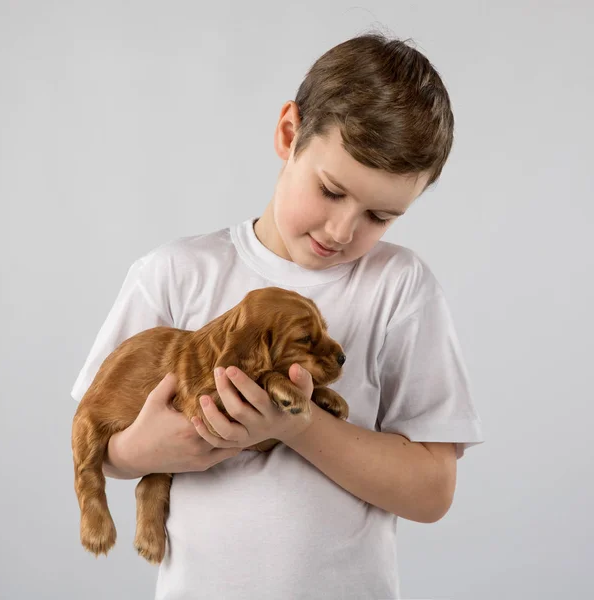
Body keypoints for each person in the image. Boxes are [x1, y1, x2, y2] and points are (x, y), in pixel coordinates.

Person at [71, 32, 484, 600]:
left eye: (380, 216)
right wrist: (146, 452)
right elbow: (105, 441)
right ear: (289, 135)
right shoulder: (174, 272)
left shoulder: (400, 287)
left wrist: (299, 427)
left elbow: (433, 491)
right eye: (331, 190)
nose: (342, 232)